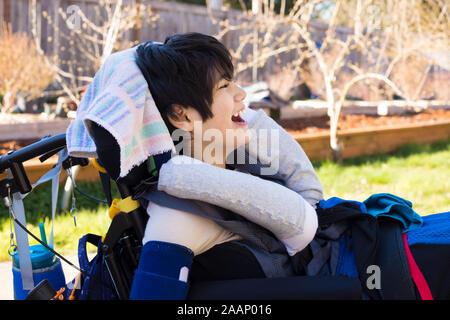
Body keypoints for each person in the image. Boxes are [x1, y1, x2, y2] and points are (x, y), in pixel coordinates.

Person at [86, 32, 324, 299]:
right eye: (224, 86)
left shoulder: (241, 161)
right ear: (182, 115)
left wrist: (245, 117)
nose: (241, 93)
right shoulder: (175, 219)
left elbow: (310, 194)